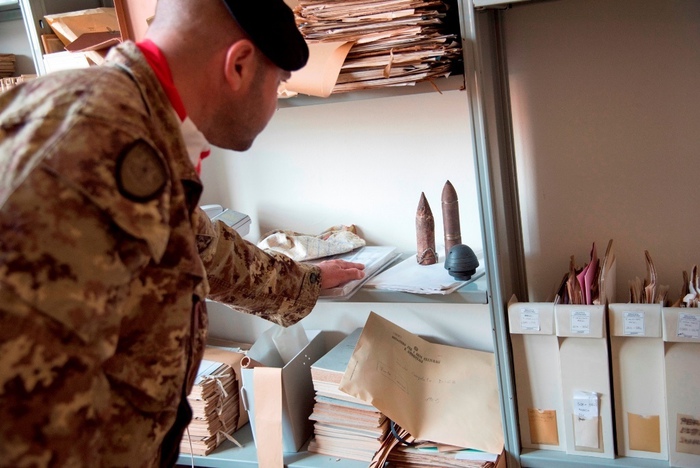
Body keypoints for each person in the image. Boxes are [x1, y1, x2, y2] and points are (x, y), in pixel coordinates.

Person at [0, 0, 366, 466]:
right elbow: (23, 405)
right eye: (278, 83)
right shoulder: (93, 145)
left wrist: (308, 281)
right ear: (238, 65)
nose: (275, 101)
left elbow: (202, 247)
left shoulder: (136, 129)